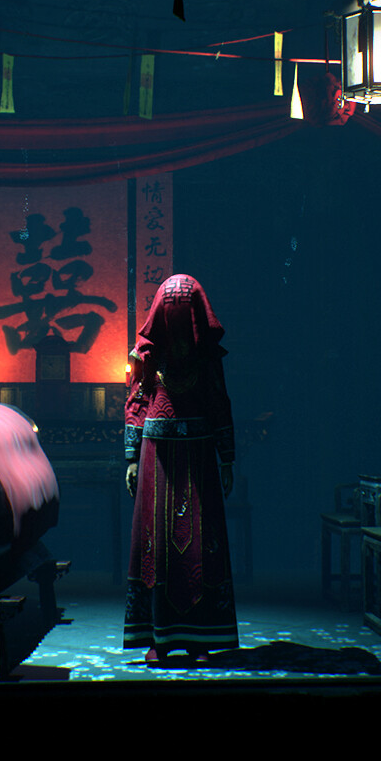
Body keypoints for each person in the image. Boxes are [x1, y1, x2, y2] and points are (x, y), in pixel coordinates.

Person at [122, 274, 239, 666]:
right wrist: (132, 457)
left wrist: (226, 457)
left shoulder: (207, 358)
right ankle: (159, 637)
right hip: (157, 459)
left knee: (199, 547)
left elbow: (219, 402)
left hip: (199, 459)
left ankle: (199, 638)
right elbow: (137, 400)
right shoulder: (147, 356)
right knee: (158, 547)